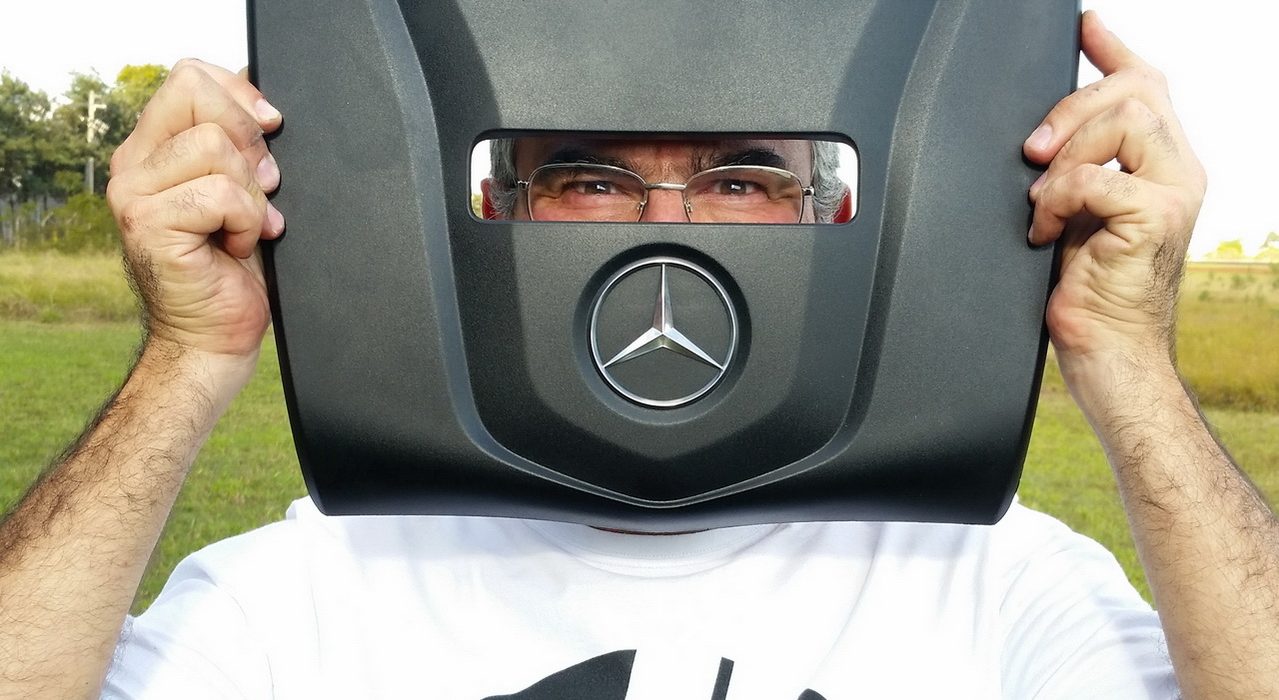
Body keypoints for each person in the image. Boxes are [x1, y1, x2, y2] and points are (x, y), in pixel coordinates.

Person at [1, 11, 1275, 698]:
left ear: (832, 207)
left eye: (741, 180)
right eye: (591, 179)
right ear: (493, 207)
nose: (668, 233)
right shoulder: (303, 585)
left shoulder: (994, 582)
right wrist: (185, 358)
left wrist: (1126, 358)